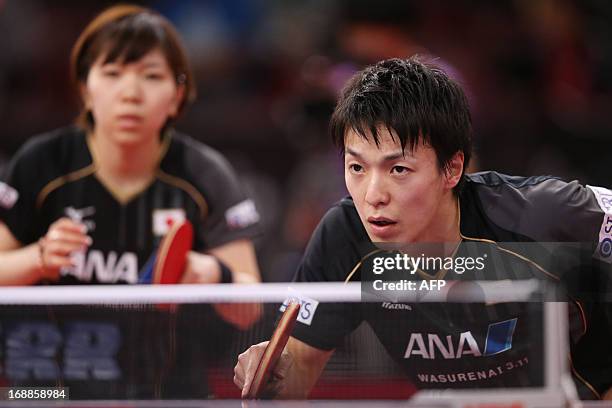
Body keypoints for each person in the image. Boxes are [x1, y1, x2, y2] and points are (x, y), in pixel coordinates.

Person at [233, 57, 612, 399]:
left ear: (452, 168)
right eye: (356, 168)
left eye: (398, 169)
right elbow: (298, 361)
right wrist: (273, 371)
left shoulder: (541, 216)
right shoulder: (344, 239)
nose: (373, 195)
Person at [0, 5, 262, 329]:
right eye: (112, 73)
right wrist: (38, 259)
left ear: (177, 96)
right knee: (24, 387)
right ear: (85, 90)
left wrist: (216, 275)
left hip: (167, 378)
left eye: (151, 76)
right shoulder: (41, 163)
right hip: (49, 378)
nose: (131, 93)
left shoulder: (205, 174)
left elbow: (251, 312)